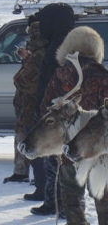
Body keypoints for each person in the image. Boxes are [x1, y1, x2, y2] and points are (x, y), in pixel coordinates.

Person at [41, 26, 108, 225]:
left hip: (69, 145)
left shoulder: (60, 75)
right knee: (102, 191)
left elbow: (46, 108)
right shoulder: (103, 75)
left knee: (70, 191)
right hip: (96, 147)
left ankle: (76, 222)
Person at [29, 3, 75, 216]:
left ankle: (55, 204)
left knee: (54, 162)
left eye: (46, 21)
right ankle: (60, 204)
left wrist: (43, 110)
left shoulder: (58, 48)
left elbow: (52, 83)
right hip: (64, 114)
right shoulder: (69, 44)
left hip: (54, 115)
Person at [3, 16, 49, 201]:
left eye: (33, 33)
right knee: (23, 135)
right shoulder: (38, 52)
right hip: (26, 104)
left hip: (33, 104)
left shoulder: (41, 54)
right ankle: (22, 172)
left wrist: (27, 61)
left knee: (34, 141)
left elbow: (26, 81)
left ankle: (40, 183)